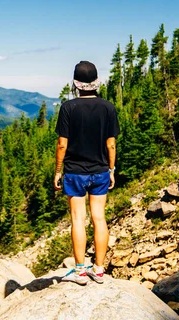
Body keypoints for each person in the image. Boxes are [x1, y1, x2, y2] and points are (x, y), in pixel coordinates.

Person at [54, 60, 120, 285]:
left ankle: (80, 271)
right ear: (96, 83)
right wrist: (111, 169)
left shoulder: (68, 108)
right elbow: (111, 144)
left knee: (78, 220)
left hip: (74, 172)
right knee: (99, 218)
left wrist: (58, 171)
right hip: (100, 170)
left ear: (76, 84)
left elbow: (62, 144)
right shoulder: (108, 107)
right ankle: (99, 270)